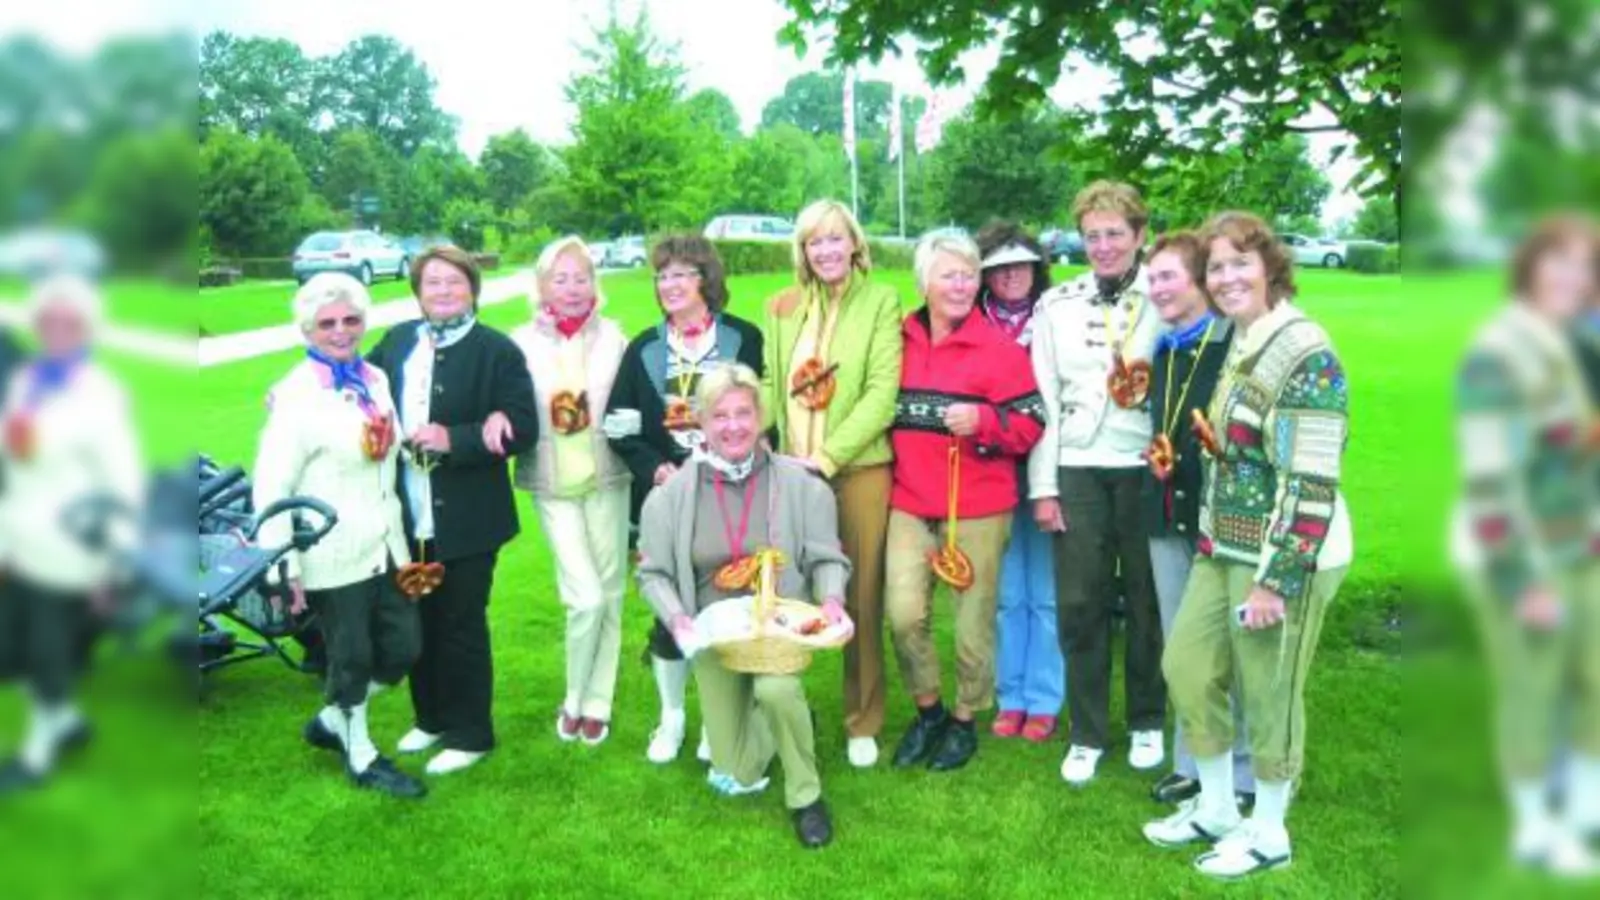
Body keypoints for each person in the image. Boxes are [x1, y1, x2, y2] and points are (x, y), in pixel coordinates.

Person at [1144, 211, 1353, 880]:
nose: (1227, 277)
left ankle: (1268, 831)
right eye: (1216, 267)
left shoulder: (1305, 351)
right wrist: (1211, 537)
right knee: (1185, 665)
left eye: (1240, 263)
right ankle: (1214, 807)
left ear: (1271, 266)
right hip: (1223, 545)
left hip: (1286, 557)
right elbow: (1230, 458)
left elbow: (1311, 479)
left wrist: (1275, 579)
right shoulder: (1243, 337)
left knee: (1269, 690)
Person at [636, 363, 851, 848]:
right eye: (719, 416)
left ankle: (806, 795)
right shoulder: (668, 499)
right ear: (701, 422)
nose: (732, 426)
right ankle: (791, 721)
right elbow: (652, 574)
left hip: (777, 627)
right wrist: (677, 618)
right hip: (713, 634)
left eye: (743, 413)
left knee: (776, 691)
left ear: (760, 417)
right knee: (738, 768)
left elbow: (825, 558)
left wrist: (832, 601)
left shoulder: (802, 486)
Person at [1450, 214, 1600, 874]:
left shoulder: (1561, 342)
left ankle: (1586, 811)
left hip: (1578, 540)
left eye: (1585, 266)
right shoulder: (1499, 351)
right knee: (1531, 690)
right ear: (1531, 267)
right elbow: (1487, 478)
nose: (1574, 277)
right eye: (1559, 262)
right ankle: (1537, 828)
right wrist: (1520, 582)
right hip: (1520, 554)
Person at [248, 273, 424, 798]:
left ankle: (333, 719)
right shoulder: (295, 396)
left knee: (403, 646)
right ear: (307, 329)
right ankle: (362, 754)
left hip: (386, 543)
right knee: (353, 657)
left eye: (351, 319)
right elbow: (272, 485)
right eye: (327, 323)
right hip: (331, 550)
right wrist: (284, 569)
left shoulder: (373, 378)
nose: (341, 331)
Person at [366, 245, 538, 776]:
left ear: (472, 289)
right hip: (405, 510)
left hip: (467, 517)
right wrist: (294, 395)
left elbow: (523, 427)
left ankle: (471, 732)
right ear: (417, 292)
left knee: (461, 623)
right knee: (419, 619)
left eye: (453, 282)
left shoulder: (497, 351)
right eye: (432, 283)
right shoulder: (398, 343)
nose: (442, 291)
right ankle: (432, 718)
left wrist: (458, 437)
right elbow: (354, 384)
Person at [885, 231, 1045, 772]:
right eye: (948, 274)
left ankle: (963, 718)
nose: (961, 285)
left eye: (969, 275)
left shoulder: (999, 350)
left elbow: (1030, 423)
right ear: (923, 281)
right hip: (909, 501)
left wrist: (986, 421)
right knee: (904, 615)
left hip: (977, 506)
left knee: (974, 623)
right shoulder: (898, 339)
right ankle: (928, 709)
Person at [604, 233, 765, 765]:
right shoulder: (644, 349)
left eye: (680, 274)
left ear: (706, 281)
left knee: (730, 600)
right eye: (662, 276)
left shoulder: (744, 338)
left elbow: (766, 419)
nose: (668, 285)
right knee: (669, 606)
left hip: (736, 492)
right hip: (669, 496)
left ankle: (720, 718)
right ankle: (672, 715)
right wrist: (658, 470)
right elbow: (619, 426)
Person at [1029, 180, 1168, 785]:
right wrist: (1044, 487)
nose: (1104, 246)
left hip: (1146, 466)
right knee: (1081, 603)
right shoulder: (1057, 304)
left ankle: (1146, 720)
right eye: (1092, 236)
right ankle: (1086, 731)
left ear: (1140, 237)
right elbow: (1045, 400)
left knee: (1147, 600)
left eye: (1115, 234)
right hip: (1078, 467)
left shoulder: (1167, 299)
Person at [762, 198, 902, 768]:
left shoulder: (881, 300)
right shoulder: (783, 305)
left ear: (855, 243)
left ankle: (862, 718)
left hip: (859, 471)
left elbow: (881, 392)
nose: (825, 251)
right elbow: (774, 381)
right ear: (803, 250)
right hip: (791, 474)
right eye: (814, 242)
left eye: (834, 239)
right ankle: (775, 708)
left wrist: (827, 457)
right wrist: (780, 452)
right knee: (780, 589)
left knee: (859, 595)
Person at [0, 274, 143, 793]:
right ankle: (65, 721)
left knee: (47, 649)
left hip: (72, 547)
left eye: (70, 322)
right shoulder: (25, 382)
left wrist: (116, 563)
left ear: (87, 328)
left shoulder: (101, 393)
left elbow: (123, 482)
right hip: (20, 538)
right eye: (48, 320)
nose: (57, 329)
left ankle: (39, 752)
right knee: (13, 645)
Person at [1140, 232, 1255, 807]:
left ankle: (1244, 772)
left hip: (1222, 519)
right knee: (1183, 648)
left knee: (1233, 649)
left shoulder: (1233, 343)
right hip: (1165, 511)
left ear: (1199, 281)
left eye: (1168, 276)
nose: (1156, 288)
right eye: (1152, 278)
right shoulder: (1165, 347)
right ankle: (1192, 762)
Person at [506, 237, 631, 746]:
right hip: (553, 482)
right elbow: (488, 396)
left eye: (581, 277)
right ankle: (573, 695)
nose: (572, 288)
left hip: (608, 475)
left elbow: (638, 396)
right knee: (585, 597)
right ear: (542, 286)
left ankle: (597, 702)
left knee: (612, 594)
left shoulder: (615, 337)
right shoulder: (519, 343)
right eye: (560, 278)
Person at [974, 221, 1065, 744]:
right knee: (1007, 594)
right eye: (1000, 267)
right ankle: (1010, 695)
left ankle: (1045, 697)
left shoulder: (1055, 317)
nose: (1012, 275)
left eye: (1021, 264)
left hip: (1047, 467)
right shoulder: (975, 321)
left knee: (1047, 593)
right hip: (992, 469)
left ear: (1037, 268)